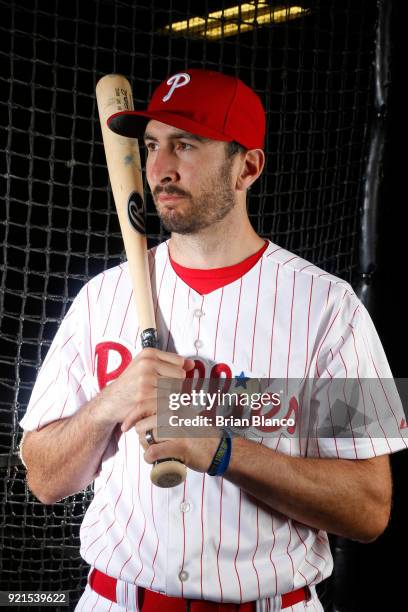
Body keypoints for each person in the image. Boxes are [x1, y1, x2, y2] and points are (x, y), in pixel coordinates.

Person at [20, 69, 407, 612]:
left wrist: (221, 450)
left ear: (246, 167)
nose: (158, 168)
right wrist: (111, 403)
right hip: (117, 600)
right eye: (151, 145)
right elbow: (41, 476)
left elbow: (369, 510)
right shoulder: (100, 298)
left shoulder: (328, 308)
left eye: (186, 144)